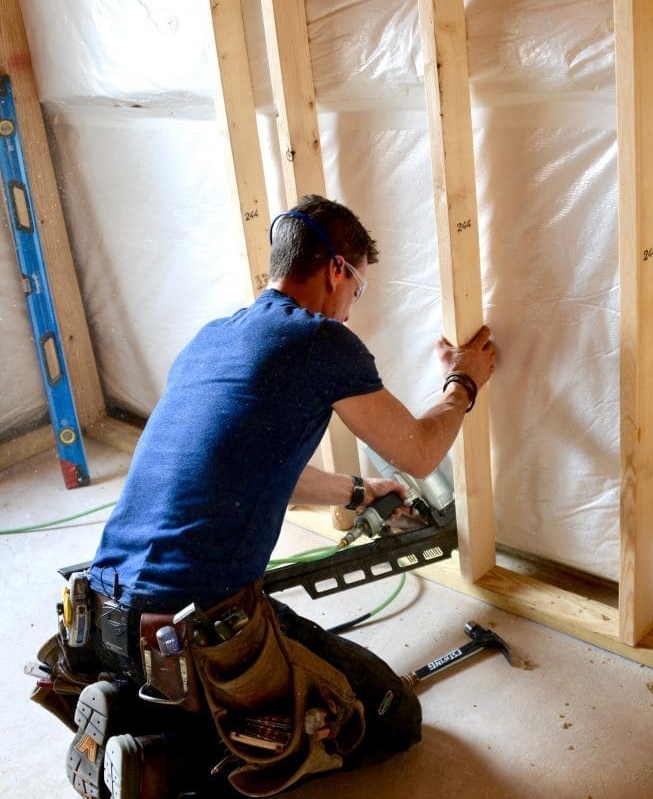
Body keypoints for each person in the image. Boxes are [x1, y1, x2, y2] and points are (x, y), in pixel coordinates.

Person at [37, 194, 497, 799]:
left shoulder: (211, 338)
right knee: (385, 715)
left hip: (103, 609)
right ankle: (161, 765)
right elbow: (417, 449)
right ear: (337, 271)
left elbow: (247, 466)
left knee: (257, 673)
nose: (351, 314)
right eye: (356, 294)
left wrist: (359, 491)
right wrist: (464, 381)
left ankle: (127, 704)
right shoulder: (322, 342)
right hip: (198, 626)